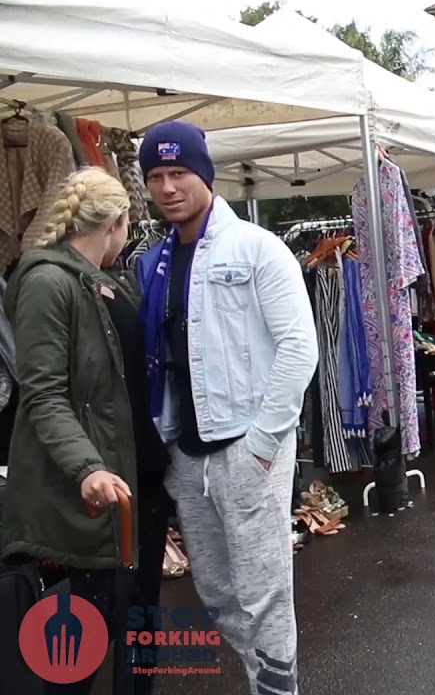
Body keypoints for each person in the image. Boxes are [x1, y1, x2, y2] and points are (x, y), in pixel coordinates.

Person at [135, 121, 318, 695]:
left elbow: (299, 347)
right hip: (187, 452)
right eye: (156, 176)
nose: (168, 187)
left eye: (179, 172)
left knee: (264, 591)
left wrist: (263, 444)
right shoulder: (153, 262)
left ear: (204, 174)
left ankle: (277, 689)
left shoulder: (257, 249)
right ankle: (264, 677)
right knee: (215, 592)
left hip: (246, 444)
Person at [2, 167, 170, 695]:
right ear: (117, 222)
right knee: (78, 651)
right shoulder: (48, 283)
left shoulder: (105, 281)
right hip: (90, 498)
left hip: (134, 487)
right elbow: (43, 394)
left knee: (138, 626)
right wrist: (88, 468)